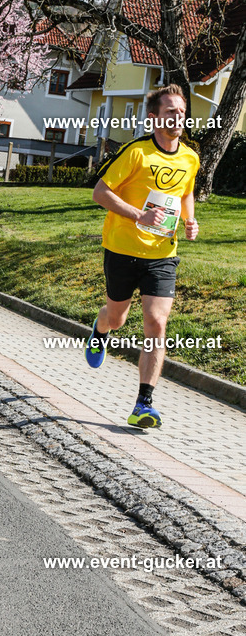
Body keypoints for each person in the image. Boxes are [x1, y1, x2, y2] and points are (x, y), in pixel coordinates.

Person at [85, 83, 200, 428]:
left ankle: (144, 403)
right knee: (117, 317)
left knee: (156, 322)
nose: (177, 118)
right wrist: (138, 215)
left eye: (181, 112)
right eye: (170, 112)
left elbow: (186, 192)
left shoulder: (191, 157)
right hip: (122, 250)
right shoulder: (135, 153)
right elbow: (100, 192)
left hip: (163, 255)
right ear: (154, 118)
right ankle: (100, 329)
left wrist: (190, 220)